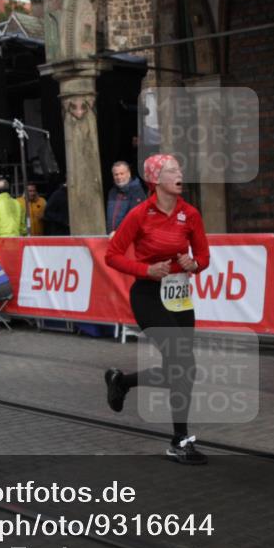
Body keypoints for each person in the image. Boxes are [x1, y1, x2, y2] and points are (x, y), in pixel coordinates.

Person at [104, 154, 210, 465]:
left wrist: (194, 264)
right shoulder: (140, 214)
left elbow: (203, 256)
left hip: (179, 299)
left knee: (182, 369)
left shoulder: (190, 214)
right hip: (148, 296)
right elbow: (112, 255)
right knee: (182, 362)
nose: (180, 174)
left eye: (179, 169)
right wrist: (145, 270)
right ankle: (180, 441)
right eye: (171, 170)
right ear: (155, 179)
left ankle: (121, 382)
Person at [106, 160, 147, 233]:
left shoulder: (137, 192)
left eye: (122, 174)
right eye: (116, 174)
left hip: (129, 235)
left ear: (129, 174)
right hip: (111, 235)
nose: (119, 177)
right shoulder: (112, 192)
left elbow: (134, 218)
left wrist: (119, 233)